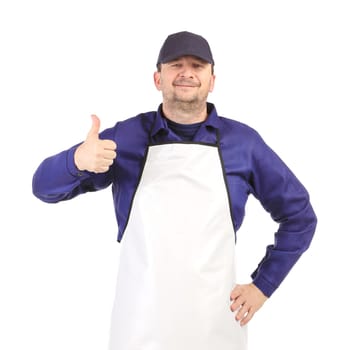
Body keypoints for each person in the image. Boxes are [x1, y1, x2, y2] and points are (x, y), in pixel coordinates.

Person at [32, 31, 317, 350]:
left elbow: (300, 217)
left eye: (197, 65)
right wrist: (76, 160)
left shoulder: (244, 144)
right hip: (137, 330)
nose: (187, 72)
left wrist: (262, 286)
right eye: (175, 65)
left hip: (217, 330)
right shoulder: (126, 138)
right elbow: (42, 188)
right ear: (158, 78)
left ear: (212, 80)